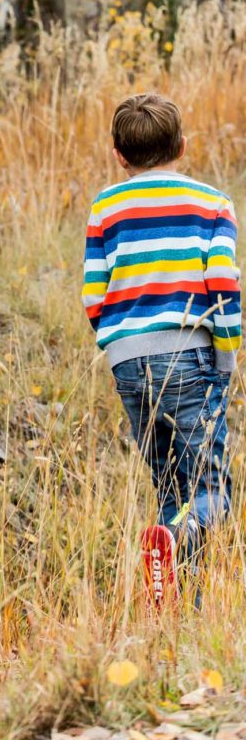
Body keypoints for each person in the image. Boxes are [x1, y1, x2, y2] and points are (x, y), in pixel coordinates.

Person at [82, 93, 240, 579]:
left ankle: (172, 585)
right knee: (212, 490)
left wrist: (118, 348)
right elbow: (224, 286)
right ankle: (177, 539)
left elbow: (94, 294)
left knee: (169, 485)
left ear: (118, 154)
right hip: (191, 356)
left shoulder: (104, 208)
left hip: (128, 363)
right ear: (183, 146)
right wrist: (226, 356)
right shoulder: (213, 203)